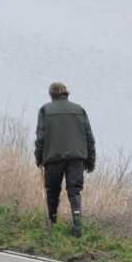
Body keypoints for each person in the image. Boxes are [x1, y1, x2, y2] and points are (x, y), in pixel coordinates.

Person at [34, 81, 96, 236]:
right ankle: (77, 226)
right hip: (77, 158)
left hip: (53, 158)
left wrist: (38, 158)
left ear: (51, 95)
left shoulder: (45, 110)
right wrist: (91, 161)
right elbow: (89, 137)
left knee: (53, 191)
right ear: (66, 93)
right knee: (74, 191)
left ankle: (52, 223)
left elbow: (40, 137)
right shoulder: (79, 109)